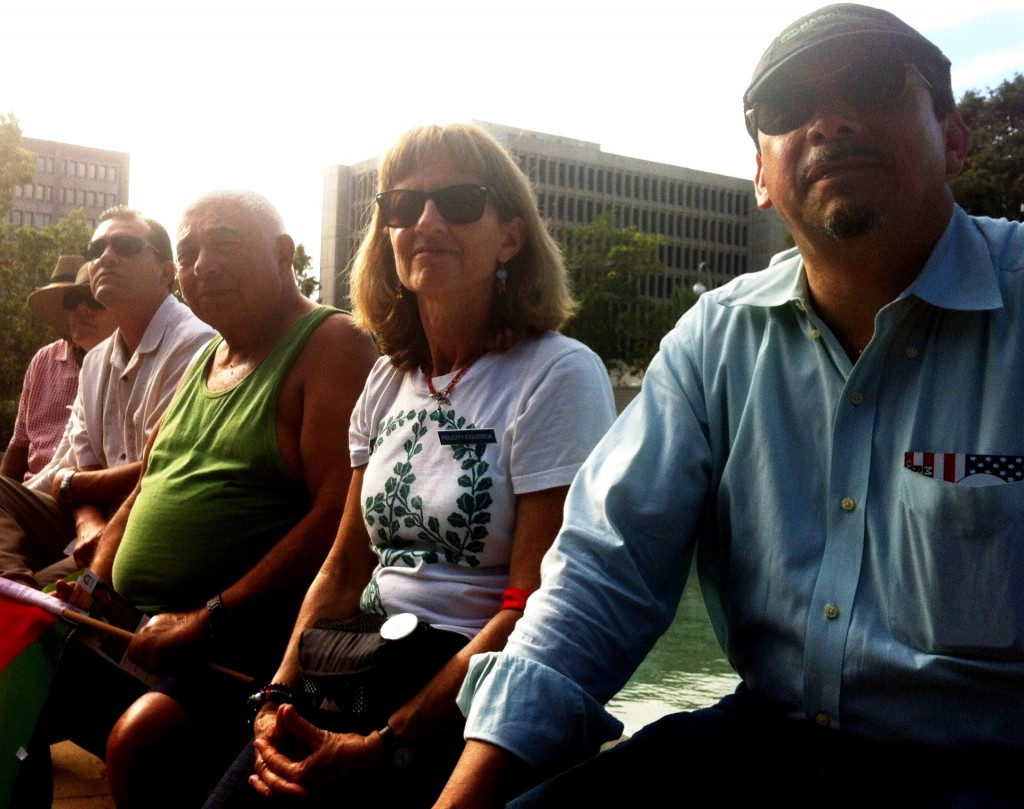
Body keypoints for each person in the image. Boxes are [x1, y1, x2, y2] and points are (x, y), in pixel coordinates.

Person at [436, 6, 1024, 808]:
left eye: (874, 83)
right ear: (760, 176)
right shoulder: (714, 336)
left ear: (954, 137)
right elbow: (603, 573)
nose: (829, 121)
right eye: (785, 111)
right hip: (768, 740)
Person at [203, 124, 615, 809]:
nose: (426, 221)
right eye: (402, 205)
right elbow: (342, 569)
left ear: (510, 238)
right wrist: (276, 693)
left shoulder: (558, 374)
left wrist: (394, 739)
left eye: (458, 201)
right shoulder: (387, 382)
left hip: (467, 692)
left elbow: (531, 602)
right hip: (358, 663)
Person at [76, 189, 379, 809]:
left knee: (141, 741)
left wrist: (209, 617)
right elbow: (146, 486)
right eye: (187, 253)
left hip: (241, 641)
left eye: (225, 245)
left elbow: (335, 515)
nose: (202, 265)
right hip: (131, 627)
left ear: (283, 255)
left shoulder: (333, 345)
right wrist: (98, 577)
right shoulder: (206, 358)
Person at [0, 208, 216, 587]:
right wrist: (88, 523)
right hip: (89, 523)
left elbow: (158, 474)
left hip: (150, 532)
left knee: (36, 593)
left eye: (126, 245)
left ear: (166, 273)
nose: (105, 256)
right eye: (96, 247)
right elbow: (82, 469)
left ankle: (23, 607)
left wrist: (71, 486)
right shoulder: (96, 361)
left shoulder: (194, 345)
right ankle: (20, 600)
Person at [1, 255, 116, 481]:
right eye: (71, 301)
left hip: (75, 492)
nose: (82, 309)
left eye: (92, 299)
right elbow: (20, 444)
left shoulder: (119, 364)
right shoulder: (43, 360)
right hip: (31, 492)